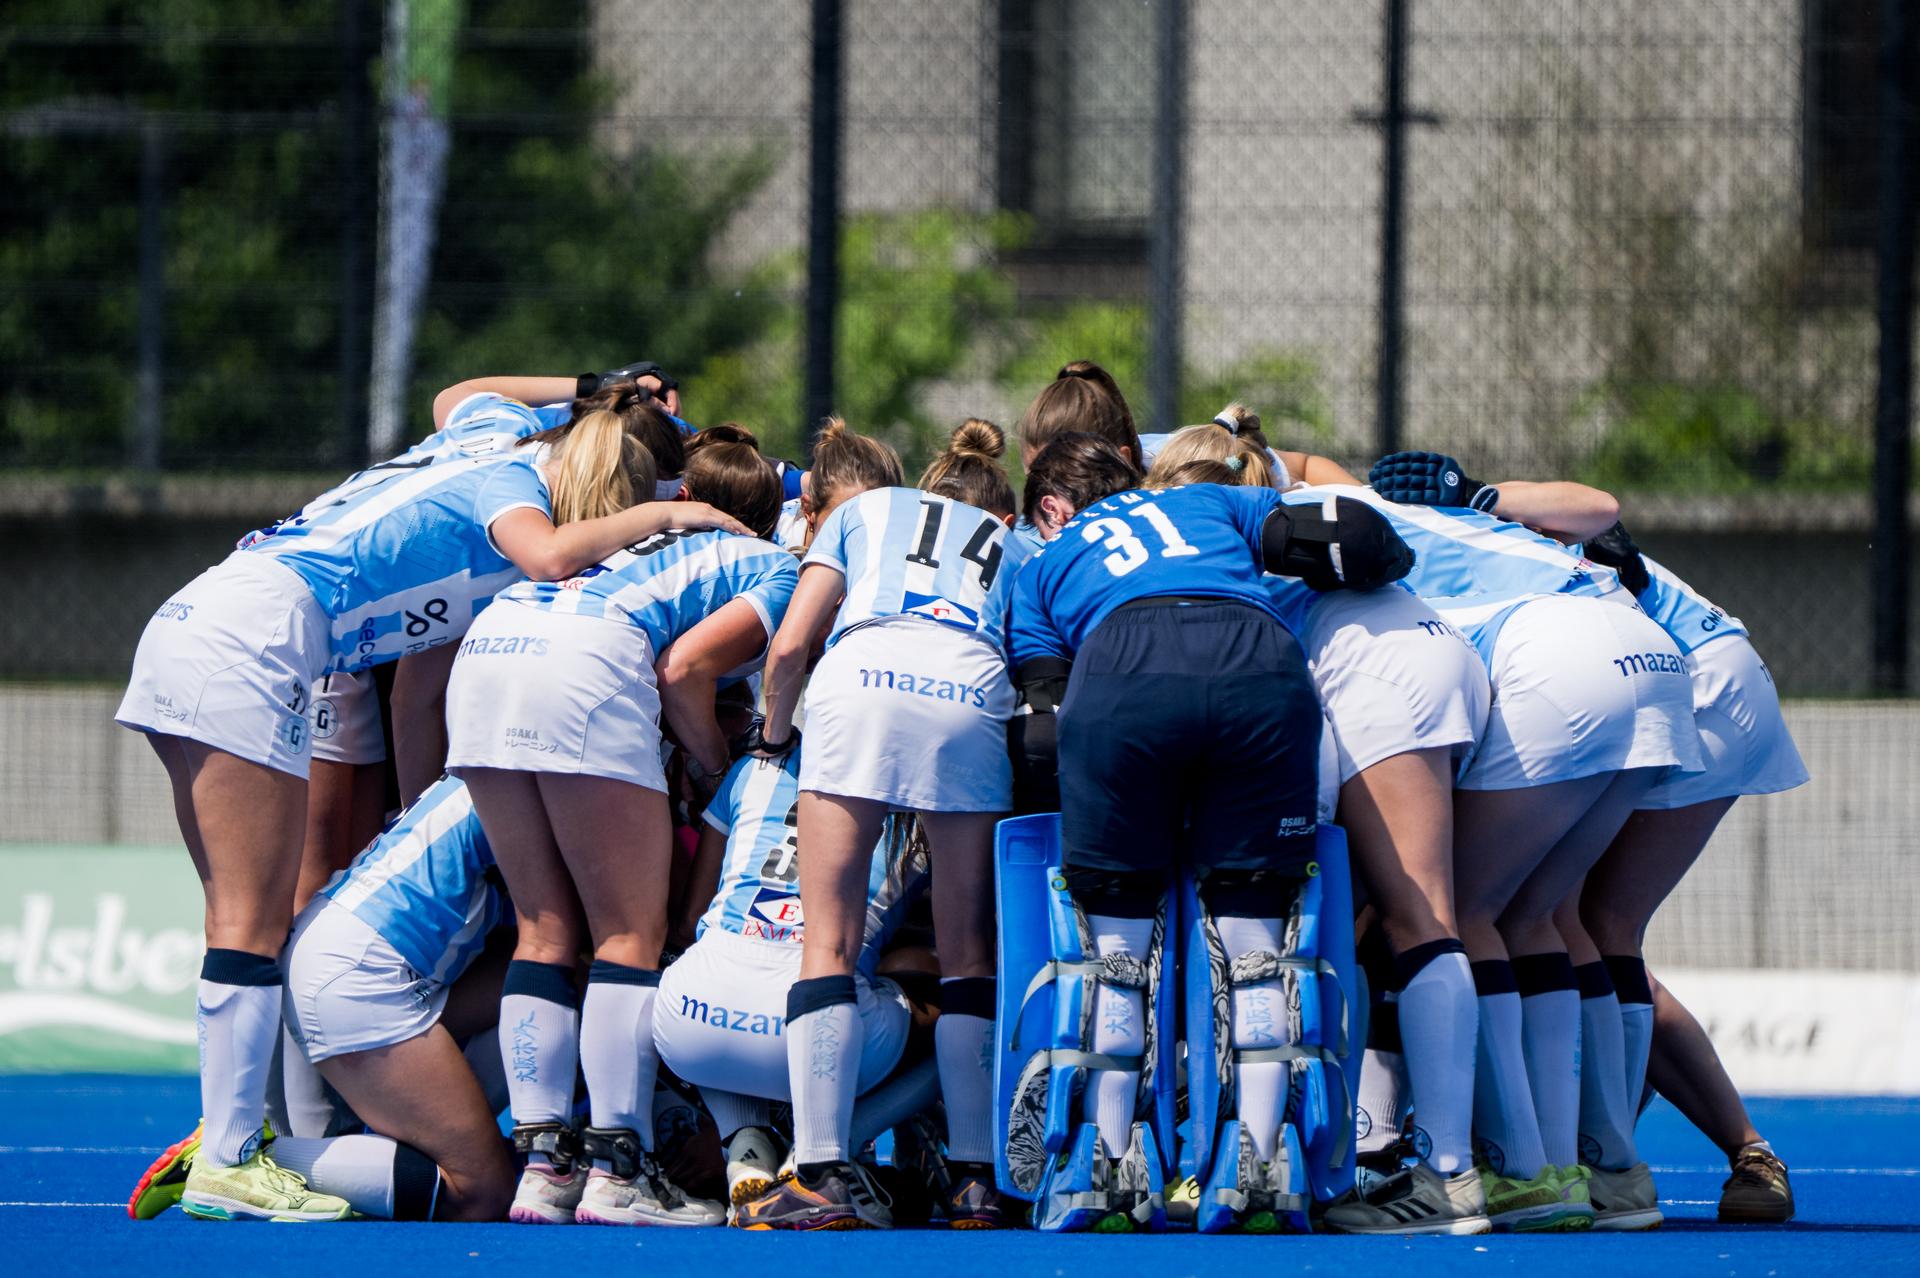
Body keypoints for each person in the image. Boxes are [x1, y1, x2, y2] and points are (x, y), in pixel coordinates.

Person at [115, 398, 747, 1221]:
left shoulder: (484, 434)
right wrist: (671, 513)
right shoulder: (513, 479)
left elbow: (460, 396)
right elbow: (551, 553)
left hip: (204, 619)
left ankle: (237, 1144)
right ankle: (232, 1153)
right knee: (249, 923)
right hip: (258, 636)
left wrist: (597, 385)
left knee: (244, 923)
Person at [1004, 434, 1413, 1231]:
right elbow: (1353, 535)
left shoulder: (1042, 562)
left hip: (1120, 673)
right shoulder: (1209, 497)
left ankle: (1109, 1158)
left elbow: (1042, 733)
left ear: (1054, 509)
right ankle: (1263, 1155)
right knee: (1258, 943)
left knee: (1111, 949)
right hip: (1256, 667)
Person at [1337, 456, 1701, 1231]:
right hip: (1654, 655)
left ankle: (1521, 1171)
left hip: (1552, 660)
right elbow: (1601, 503)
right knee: (1540, 914)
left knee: (1455, 912)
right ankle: (1606, 1171)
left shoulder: (1272, 519)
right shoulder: (1408, 508)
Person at [1138, 441, 1493, 1234]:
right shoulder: (1281, 517)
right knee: (1391, 921)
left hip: (1376, 673)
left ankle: (1446, 1175)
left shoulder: (1221, 551)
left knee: (1418, 919)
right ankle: (1385, 1155)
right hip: (1435, 653)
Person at [446, 435, 793, 1227]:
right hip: (587, 662)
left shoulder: (640, 524)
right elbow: (684, 674)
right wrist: (717, 769)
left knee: (544, 928)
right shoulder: (771, 563)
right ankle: (618, 1170)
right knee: (629, 937)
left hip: (494, 647)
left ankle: (543, 1165)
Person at [736, 419, 1024, 1231]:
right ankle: (975, 1177)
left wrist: (773, 736)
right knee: (969, 951)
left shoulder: (871, 511)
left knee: (826, 939)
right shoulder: (1017, 545)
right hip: (969, 693)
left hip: (859, 680)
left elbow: (791, 643)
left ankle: (821, 1169)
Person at [652, 750, 930, 1218]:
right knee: (964, 1004)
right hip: (823, 1027)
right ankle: (823, 1151)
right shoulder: (934, 790)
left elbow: (688, 922)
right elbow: (965, 943)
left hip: (690, 1023)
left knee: (708, 963)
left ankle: (743, 1139)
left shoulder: (752, 767)